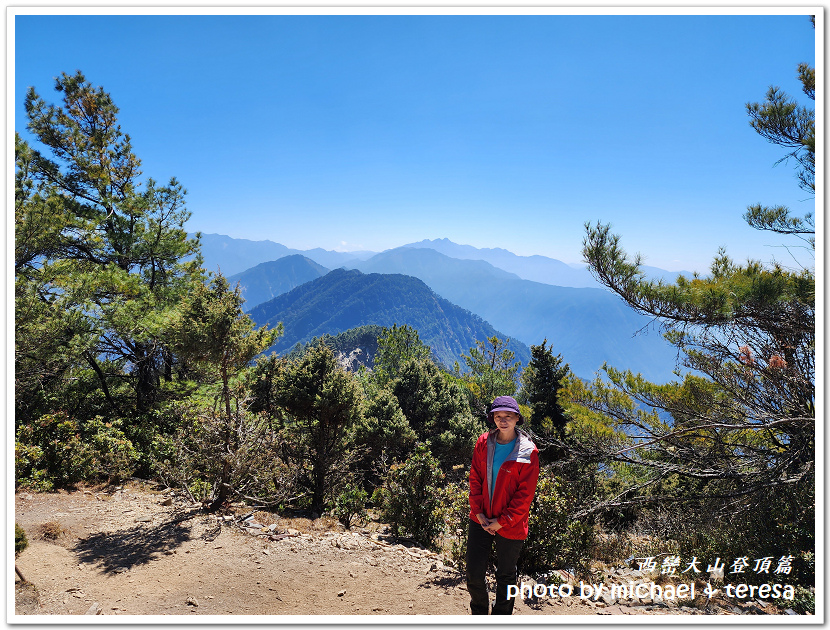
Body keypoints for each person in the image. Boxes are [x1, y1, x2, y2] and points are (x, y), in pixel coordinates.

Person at [466, 395, 540, 615]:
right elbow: (475, 478)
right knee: (473, 572)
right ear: (493, 418)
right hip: (481, 518)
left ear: (517, 418)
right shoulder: (483, 442)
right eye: (498, 416)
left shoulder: (529, 452)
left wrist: (502, 521)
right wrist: (478, 512)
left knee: (506, 576)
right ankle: (479, 613)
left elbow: (524, 496)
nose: (503, 420)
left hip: (511, 523)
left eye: (508, 416)